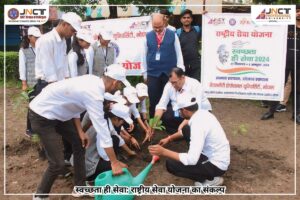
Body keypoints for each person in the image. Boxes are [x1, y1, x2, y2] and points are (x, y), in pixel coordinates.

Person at [29, 64, 130, 199]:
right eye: (120, 85)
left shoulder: (93, 81)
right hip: (42, 115)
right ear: (115, 82)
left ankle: (80, 187)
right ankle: (40, 196)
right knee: (57, 164)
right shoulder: (94, 94)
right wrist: (114, 162)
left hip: (59, 113)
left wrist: (80, 132)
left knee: (79, 142)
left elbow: (74, 106)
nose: (119, 88)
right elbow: (103, 133)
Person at [148, 92, 230, 186]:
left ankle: (211, 179)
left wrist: (163, 152)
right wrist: (169, 138)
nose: (179, 113)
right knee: (186, 129)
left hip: (217, 165)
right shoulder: (202, 113)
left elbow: (192, 159)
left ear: (185, 110)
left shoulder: (197, 125)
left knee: (171, 165)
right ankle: (204, 169)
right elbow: (184, 132)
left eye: (179, 110)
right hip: (216, 155)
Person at [147, 67, 211, 138]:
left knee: (190, 126)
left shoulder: (194, 84)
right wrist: (153, 125)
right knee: (166, 115)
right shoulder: (169, 85)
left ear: (182, 78)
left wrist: (182, 125)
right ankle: (179, 133)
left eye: (175, 82)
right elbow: (161, 106)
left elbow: (196, 110)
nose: (173, 85)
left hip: (200, 113)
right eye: (171, 82)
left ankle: (186, 131)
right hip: (183, 111)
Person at [261, 6, 300, 123]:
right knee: (278, 87)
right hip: (283, 62)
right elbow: (264, 20)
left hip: (298, 64)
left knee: (298, 89)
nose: (299, 14)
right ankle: (271, 112)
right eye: (297, 11)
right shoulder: (285, 26)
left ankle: (296, 114)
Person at [142, 13, 184, 117]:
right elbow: (143, 55)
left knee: (170, 98)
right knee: (153, 98)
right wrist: (145, 73)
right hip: (153, 73)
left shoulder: (173, 34)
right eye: (154, 27)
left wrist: (180, 71)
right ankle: (153, 123)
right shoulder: (147, 36)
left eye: (159, 27)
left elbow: (179, 54)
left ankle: (168, 121)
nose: (157, 29)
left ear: (164, 22)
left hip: (169, 73)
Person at [81, 103, 136, 182]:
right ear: (116, 118)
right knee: (122, 168)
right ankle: (92, 178)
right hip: (88, 163)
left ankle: (108, 164)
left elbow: (117, 137)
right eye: (122, 121)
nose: (122, 124)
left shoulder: (107, 121)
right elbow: (102, 152)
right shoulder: (104, 126)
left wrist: (130, 152)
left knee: (115, 139)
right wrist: (115, 163)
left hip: (93, 155)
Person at [33, 12, 82, 97]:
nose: (73, 34)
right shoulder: (46, 40)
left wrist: (67, 83)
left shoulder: (63, 41)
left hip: (58, 85)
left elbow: (64, 64)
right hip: (48, 85)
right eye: (72, 30)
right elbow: (48, 68)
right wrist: (57, 92)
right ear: (64, 24)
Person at [18, 26, 42, 137]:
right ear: (29, 37)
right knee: (32, 105)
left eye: (38, 37)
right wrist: (24, 83)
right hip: (32, 82)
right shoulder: (23, 50)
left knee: (42, 104)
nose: (37, 39)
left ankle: (40, 127)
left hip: (42, 81)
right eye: (35, 37)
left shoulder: (41, 48)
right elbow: (22, 68)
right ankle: (29, 129)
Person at [176, 9, 204, 81]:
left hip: (196, 65)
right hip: (183, 65)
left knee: (196, 85)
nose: (186, 19)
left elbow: (207, 25)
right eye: (184, 18)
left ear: (191, 19)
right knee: (184, 87)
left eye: (188, 17)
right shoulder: (177, 32)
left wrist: (204, 15)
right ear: (181, 20)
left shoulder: (197, 29)